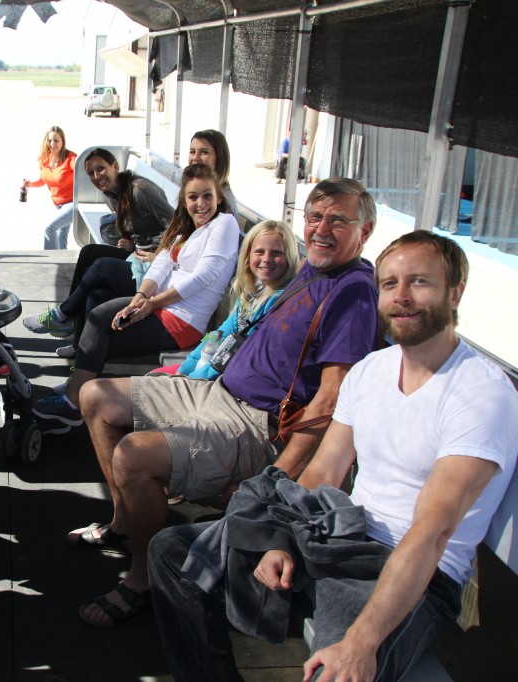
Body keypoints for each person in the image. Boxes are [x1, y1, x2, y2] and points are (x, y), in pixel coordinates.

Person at [149, 230, 518, 682]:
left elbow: (432, 532)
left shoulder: (479, 393)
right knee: (173, 552)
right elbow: (324, 469)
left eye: (419, 282)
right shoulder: (370, 372)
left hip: (410, 572)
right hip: (338, 540)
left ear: (455, 292)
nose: (401, 296)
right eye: (389, 284)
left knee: (336, 671)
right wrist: (280, 538)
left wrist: (360, 645)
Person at [70, 178, 380, 628]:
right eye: (314, 218)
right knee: (95, 395)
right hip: (216, 390)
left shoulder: (352, 291)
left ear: (365, 230)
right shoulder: (312, 272)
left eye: (338, 220)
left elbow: (334, 397)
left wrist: (280, 477)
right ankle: (124, 521)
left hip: (255, 422)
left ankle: (143, 579)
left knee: (132, 456)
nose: (321, 229)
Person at [31, 164, 240, 432]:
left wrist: (151, 303)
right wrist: (140, 297)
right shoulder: (185, 226)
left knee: (99, 323)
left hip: (181, 322)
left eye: (207, 196)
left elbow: (203, 276)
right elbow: (161, 263)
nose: (201, 204)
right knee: (98, 299)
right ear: (184, 201)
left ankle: (73, 403)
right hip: (161, 307)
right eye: (193, 197)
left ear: (218, 197)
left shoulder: (224, 223)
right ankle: (78, 387)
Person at [28, 130, 237, 358]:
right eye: (192, 151)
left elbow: (187, 255)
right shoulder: (120, 191)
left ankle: (64, 316)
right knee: (94, 286)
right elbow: (174, 243)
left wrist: (152, 263)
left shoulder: (221, 211)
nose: (196, 157)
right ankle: (77, 348)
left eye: (204, 152)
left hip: (171, 293)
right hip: (155, 269)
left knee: (99, 266)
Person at [23, 147, 173, 355]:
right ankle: (76, 340)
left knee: (100, 267)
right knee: (89, 255)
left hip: (156, 270)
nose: (96, 176)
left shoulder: (139, 189)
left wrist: (157, 254)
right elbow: (140, 225)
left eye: (100, 169)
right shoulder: (112, 193)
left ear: (115, 166)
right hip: (139, 258)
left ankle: (63, 314)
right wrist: (131, 242)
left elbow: (177, 226)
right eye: (91, 173)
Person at [165, 220, 300, 380]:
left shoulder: (279, 302)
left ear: (289, 257)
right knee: (157, 376)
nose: (267, 258)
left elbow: (238, 352)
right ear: (248, 256)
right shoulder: (253, 291)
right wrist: (187, 367)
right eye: (259, 252)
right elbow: (217, 334)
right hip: (216, 369)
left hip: (239, 377)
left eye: (276, 253)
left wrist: (194, 378)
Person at [22, 125, 79, 250]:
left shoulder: (70, 158)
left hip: (73, 203)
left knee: (50, 228)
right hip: (58, 205)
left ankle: (50, 262)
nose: (52, 144)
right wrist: (30, 184)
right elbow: (43, 179)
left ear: (62, 142)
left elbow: (82, 173)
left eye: (56, 140)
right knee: (60, 238)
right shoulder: (45, 160)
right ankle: (64, 266)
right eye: (50, 140)